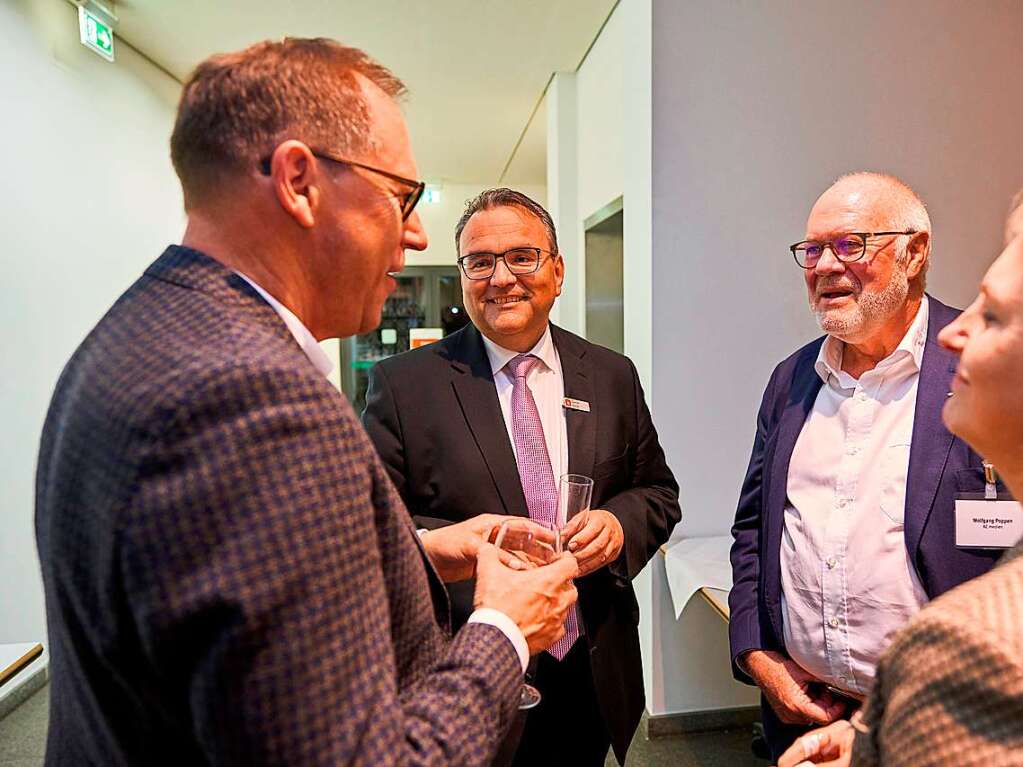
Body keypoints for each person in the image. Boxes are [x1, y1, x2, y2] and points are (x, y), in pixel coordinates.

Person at [34, 39, 580, 766]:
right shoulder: (254, 401)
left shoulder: (146, 326)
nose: (414, 233)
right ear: (298, 180)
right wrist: (503, 630)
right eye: (399, 196)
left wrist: (418, 551)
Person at [362, 188, 681, 766]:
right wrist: (463, 550)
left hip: (590, 661)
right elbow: (373, 529)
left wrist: (615, 522)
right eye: (479, 262)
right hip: (468, 668)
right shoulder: (405, 385)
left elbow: (657, 493)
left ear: (557, 271)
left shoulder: (611, 374)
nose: (501, 277)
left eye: (521, 257)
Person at [729, 172, 1001, 759]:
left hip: (947, 725)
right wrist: (756, 654)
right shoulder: (791, 380)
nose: (826, 266)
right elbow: (753, 530)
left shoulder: (982, 365)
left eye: (851, 245)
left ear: (915, 249)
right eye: (812, 250)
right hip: (801, 711)